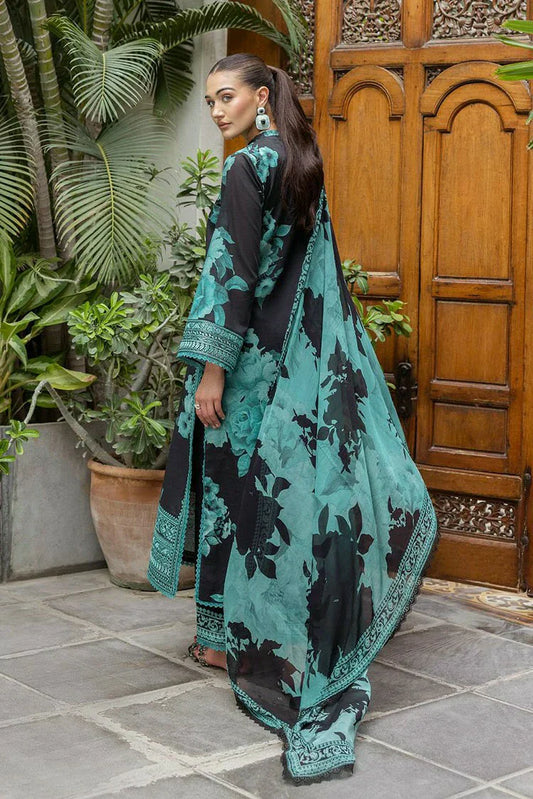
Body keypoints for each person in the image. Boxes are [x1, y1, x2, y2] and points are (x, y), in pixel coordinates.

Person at [147, 52, 439, 784]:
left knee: (230, 494)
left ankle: (225, 639)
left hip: (246, 361)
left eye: (226, 97)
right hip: (295, 358)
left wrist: (212, 368)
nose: (217, 111)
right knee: (267, 499)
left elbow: (233, 272)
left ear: (259, 98)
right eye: (210, 101)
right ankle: (253, 633)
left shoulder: (246, 167)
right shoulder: (302, 161)